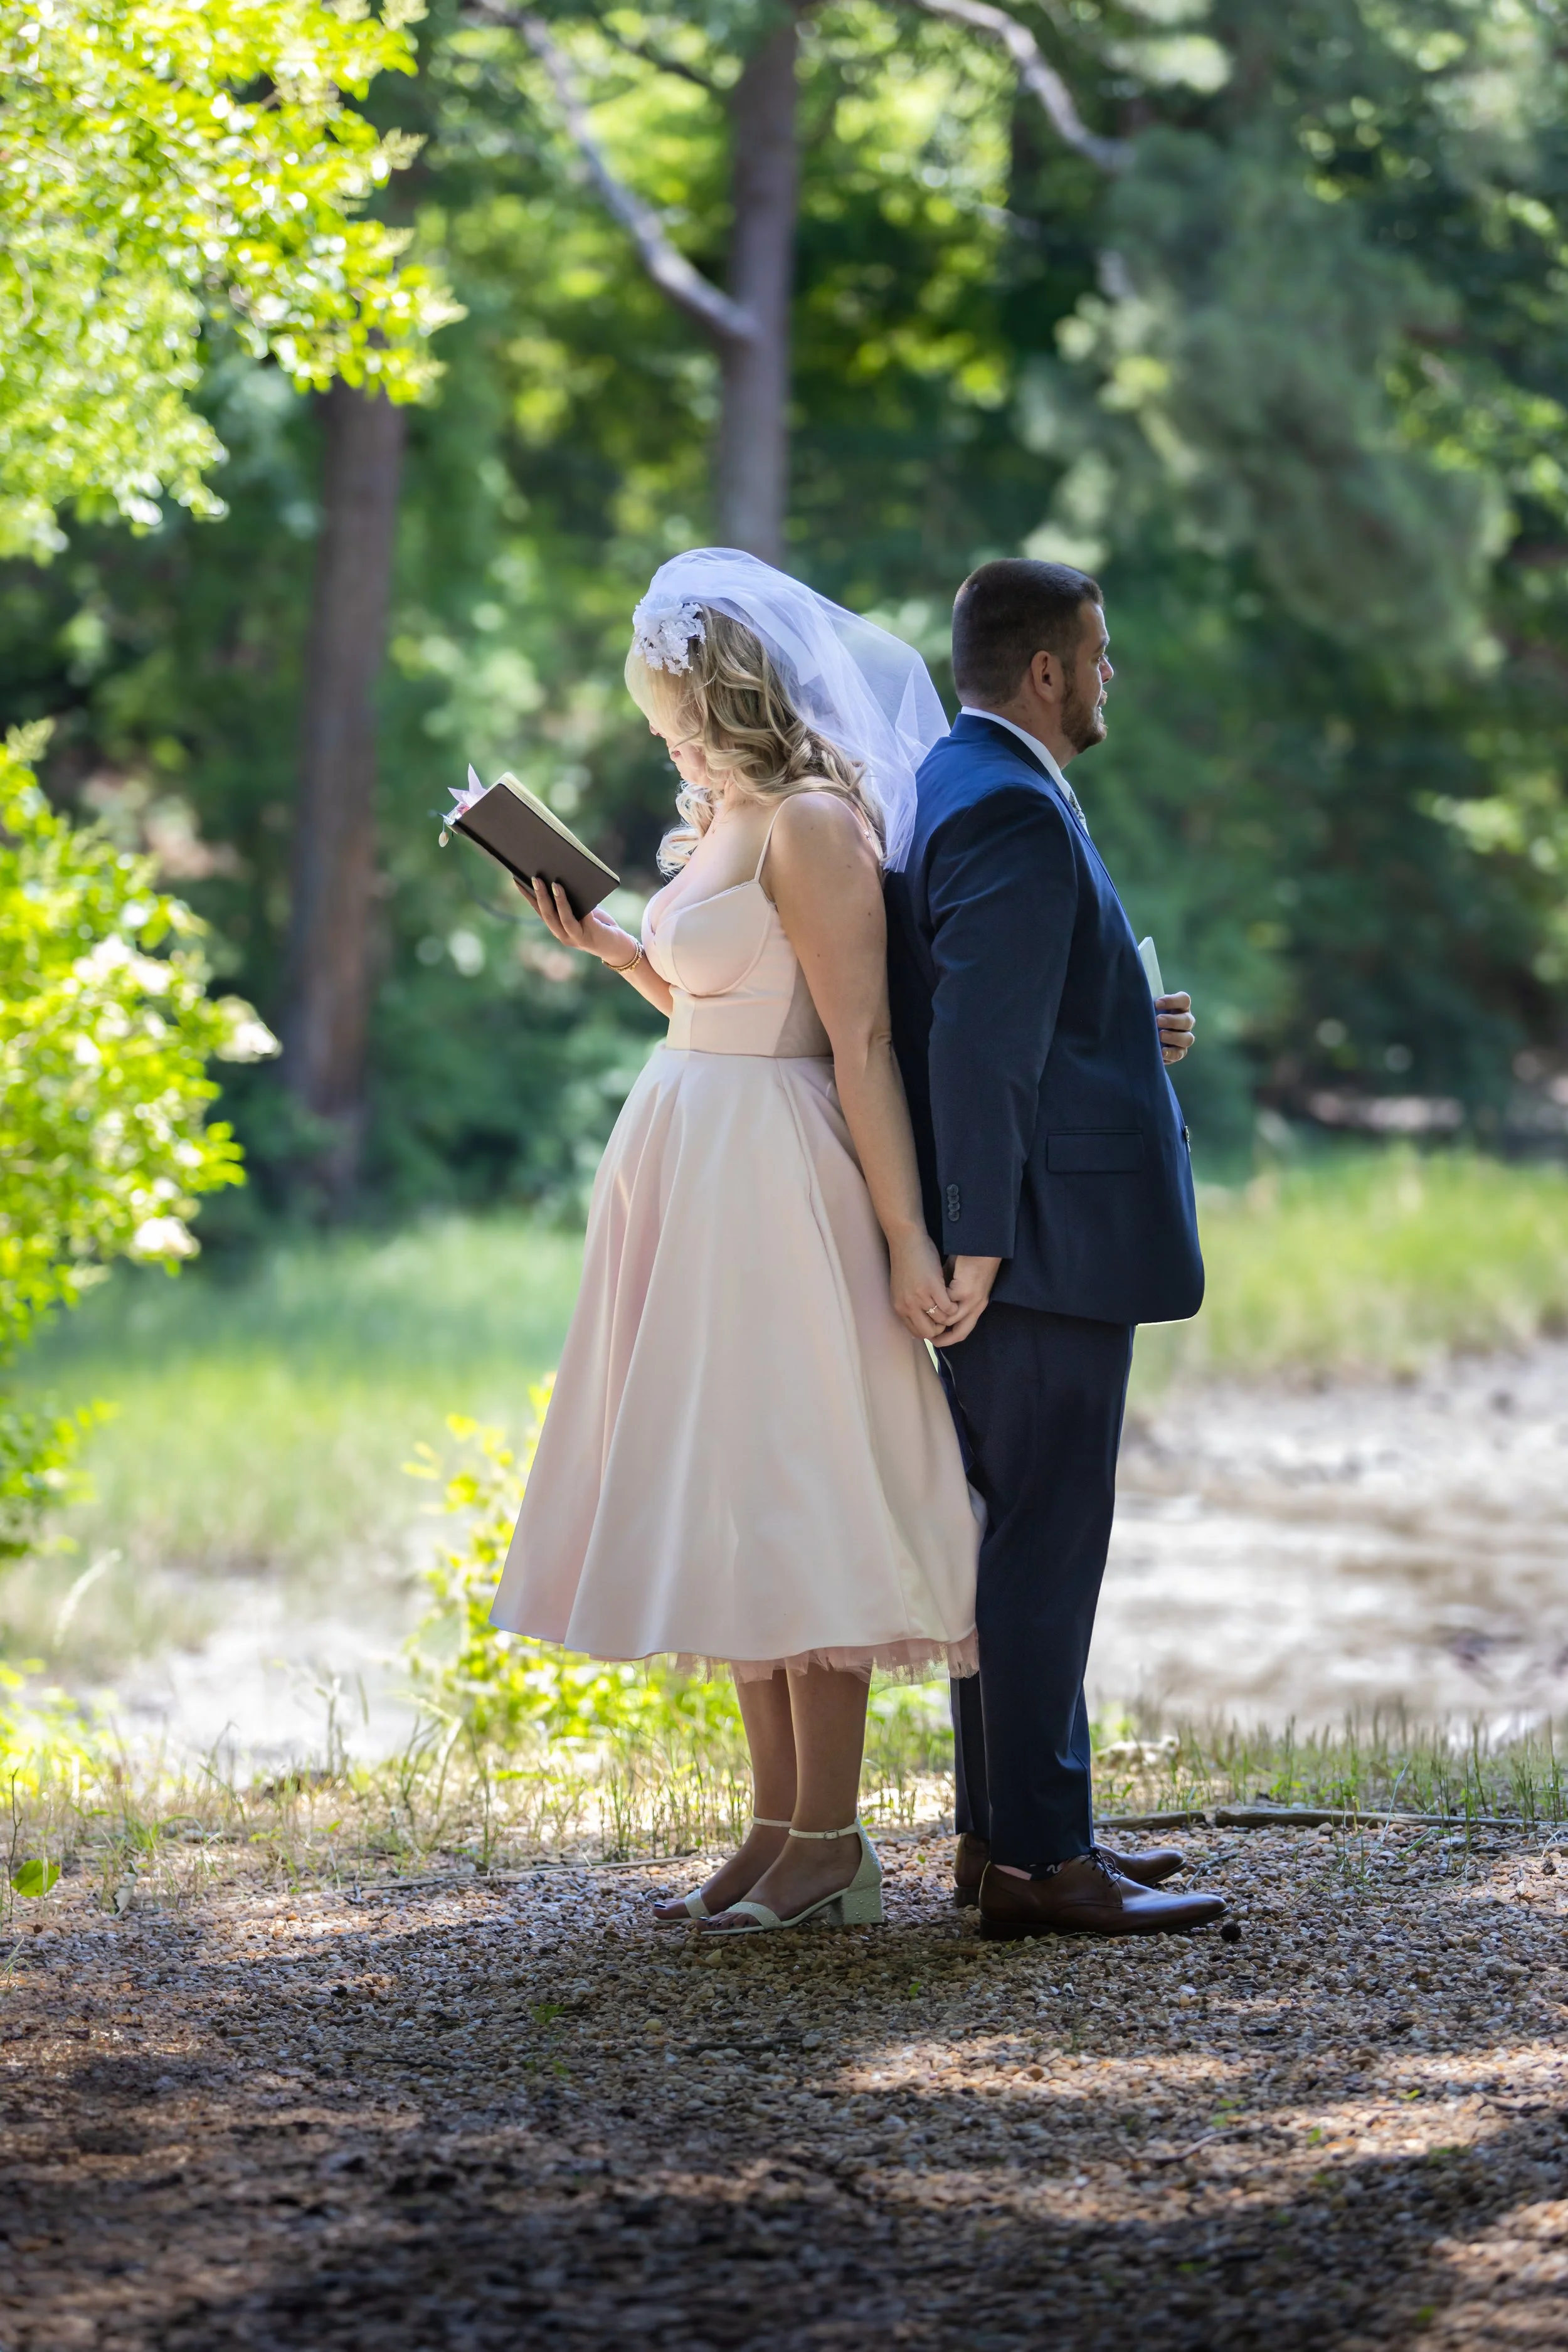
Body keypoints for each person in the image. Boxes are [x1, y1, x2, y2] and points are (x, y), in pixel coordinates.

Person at [490, 548, 981, 1936]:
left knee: (792, 1478)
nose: (665, 737)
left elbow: (858, 1038)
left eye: (674, 711)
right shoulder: (725, 816)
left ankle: (831, 1838)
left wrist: (902, 1237)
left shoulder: (813, 824)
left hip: (778, 1177)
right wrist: (617, 953)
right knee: (725, 1487)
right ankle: (773, 1826)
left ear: (728, 691)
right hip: (688, 1164)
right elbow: (710, 996)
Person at [886, 558, 1228, 1938]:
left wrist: (1120, 1029)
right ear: (1044, 671)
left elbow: (1014, 1011)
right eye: (1098, 653)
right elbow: (969, 1049)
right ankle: (1035, 1865)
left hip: (1028, 1235)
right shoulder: (1011, 806)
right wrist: (972, 1244)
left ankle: (1017, 1836)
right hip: (1036, 1248)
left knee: (1019, 1543)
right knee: (1041, 1544)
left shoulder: (964, 786)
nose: (1108, 676)